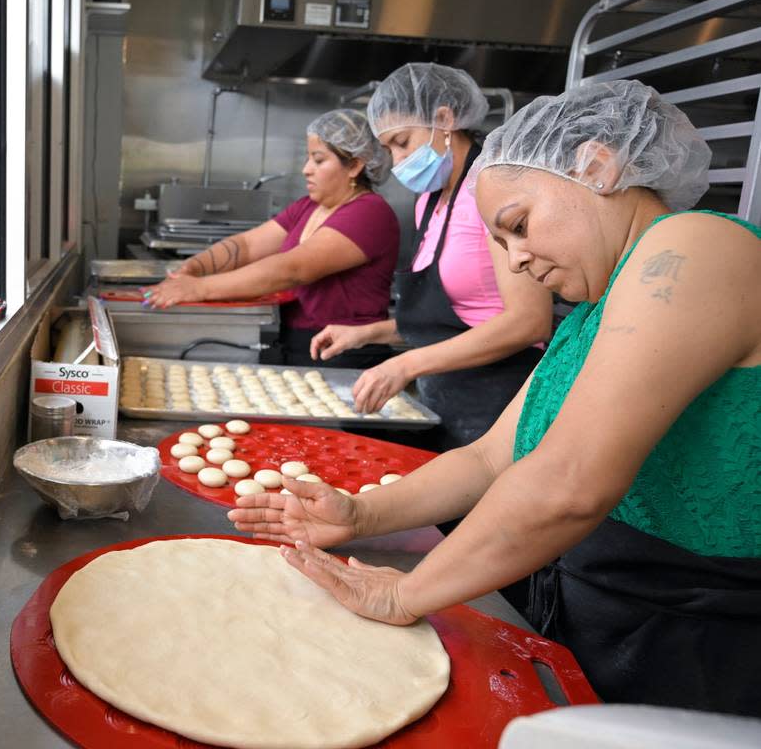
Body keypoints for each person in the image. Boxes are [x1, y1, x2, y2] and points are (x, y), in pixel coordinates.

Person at [228, 79, 761, 716]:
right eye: (501, 243)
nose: (517, 261)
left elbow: (569, 481)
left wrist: (407, 594)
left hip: (695, 648)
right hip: (597, 621)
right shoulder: (594, 312)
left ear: (598, 165)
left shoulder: (694, 247)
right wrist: (360, 516)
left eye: (518, 225)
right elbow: (489, 460)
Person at [310, 64, 552, 449]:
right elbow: (447, 317)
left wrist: (406, 364)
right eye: (389, 148)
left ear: (444, 120)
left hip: (499, 404)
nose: (397, 160)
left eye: (402, 142)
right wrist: (366, 333)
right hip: (443, 401)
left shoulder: (491, 193)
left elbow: (530, 322)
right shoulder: (428, 203)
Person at [141, 109, 400, 368]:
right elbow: (247, 246)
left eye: (319, 160)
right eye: (308, 158)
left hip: (347, 355)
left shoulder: (369, 213)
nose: (305, 170)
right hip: (299, 346)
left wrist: (199, 288)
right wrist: (192, 269)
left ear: (355, 165)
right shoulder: (308, 207)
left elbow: (293, 269)